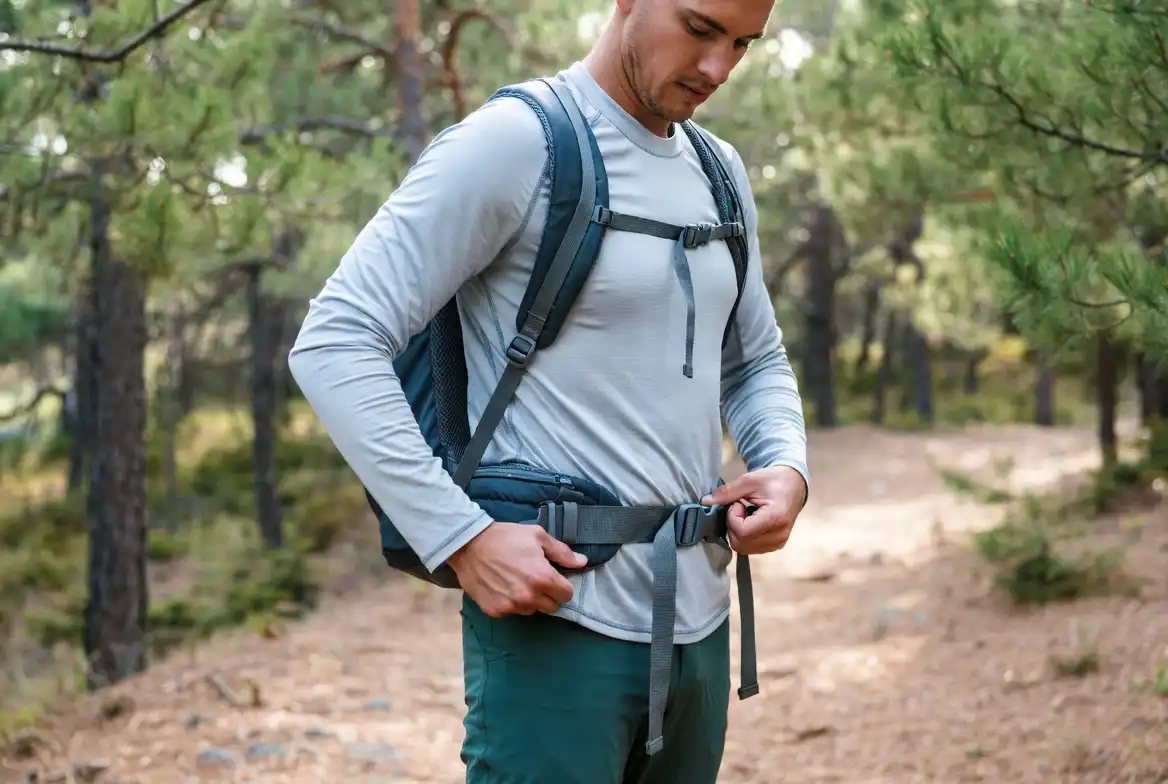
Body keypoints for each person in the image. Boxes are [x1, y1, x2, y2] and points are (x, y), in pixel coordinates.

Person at [287, 0, 810, 781]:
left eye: (742, 43)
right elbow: (335, 339)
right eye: (700, 29)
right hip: (559, 623)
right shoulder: (515, 144)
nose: (717, 68)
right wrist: (460, 538)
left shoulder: (719, 173)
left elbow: (755, 357)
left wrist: (786, 467)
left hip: (699, 627)